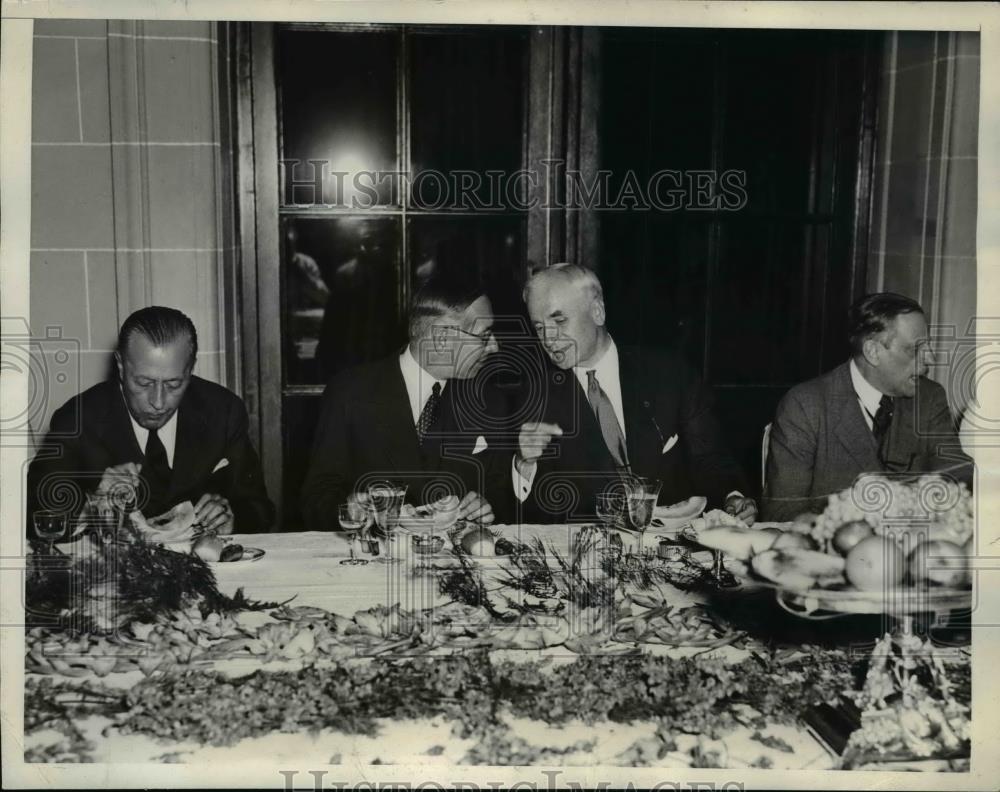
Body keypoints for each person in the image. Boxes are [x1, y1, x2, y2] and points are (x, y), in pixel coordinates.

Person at [511, 263, 754, 524]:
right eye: (538, 327)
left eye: (559, 320)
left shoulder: (671, 374)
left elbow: (711, 458)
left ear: (597, 311)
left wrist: (733, 497)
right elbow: (529, 517)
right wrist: (524, 464)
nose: (548, 338)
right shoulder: (535, 398)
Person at [27, 307, 275, 536]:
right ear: (121, 366)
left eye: (173, 384)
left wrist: (232, 518)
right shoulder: (78, 418)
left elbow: (260, 509)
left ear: (190, 370)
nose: (158, 402)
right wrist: (91, 504)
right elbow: (29, 513)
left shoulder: (223, 410)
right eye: (144, 383)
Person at [301, 274, 510, 530]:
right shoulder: (350, 393)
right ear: (442, 338)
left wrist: (488, 507)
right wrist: (350, 508)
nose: (494, 347)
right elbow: (316, 499)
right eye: (484, 335)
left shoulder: (490, 401)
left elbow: (502, 493)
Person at [762, 292, 974, 522]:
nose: (930, 359)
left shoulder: (930, 398)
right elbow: (781, 513)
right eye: (914, 350)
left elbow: (960, 478)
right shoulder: (805, 406)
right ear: (873, 352)